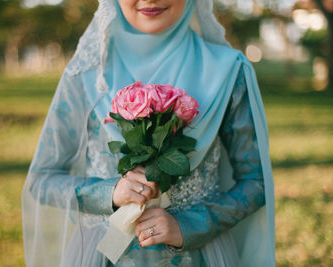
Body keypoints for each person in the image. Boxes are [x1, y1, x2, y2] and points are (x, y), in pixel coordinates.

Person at [21, 0, 275, 266]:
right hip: (102, 256)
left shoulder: (228, 70)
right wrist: (109, 193)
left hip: (197, 256)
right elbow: (41, 180)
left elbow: (256, 181)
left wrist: (190, 225)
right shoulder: (87, 73)